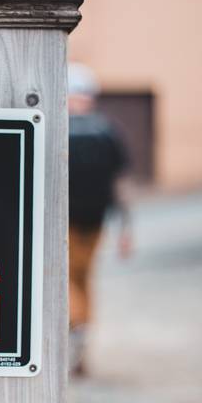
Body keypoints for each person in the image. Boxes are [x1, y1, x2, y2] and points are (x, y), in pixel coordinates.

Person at [67, 63, 132, 376]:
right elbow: (119, 184)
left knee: (67, 277)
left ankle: (76, 328)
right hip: (97, 220)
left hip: (65, 220)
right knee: (84, 277)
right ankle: (81, 334)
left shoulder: (58, 128)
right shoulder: (108, 130)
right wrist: (125, 228)